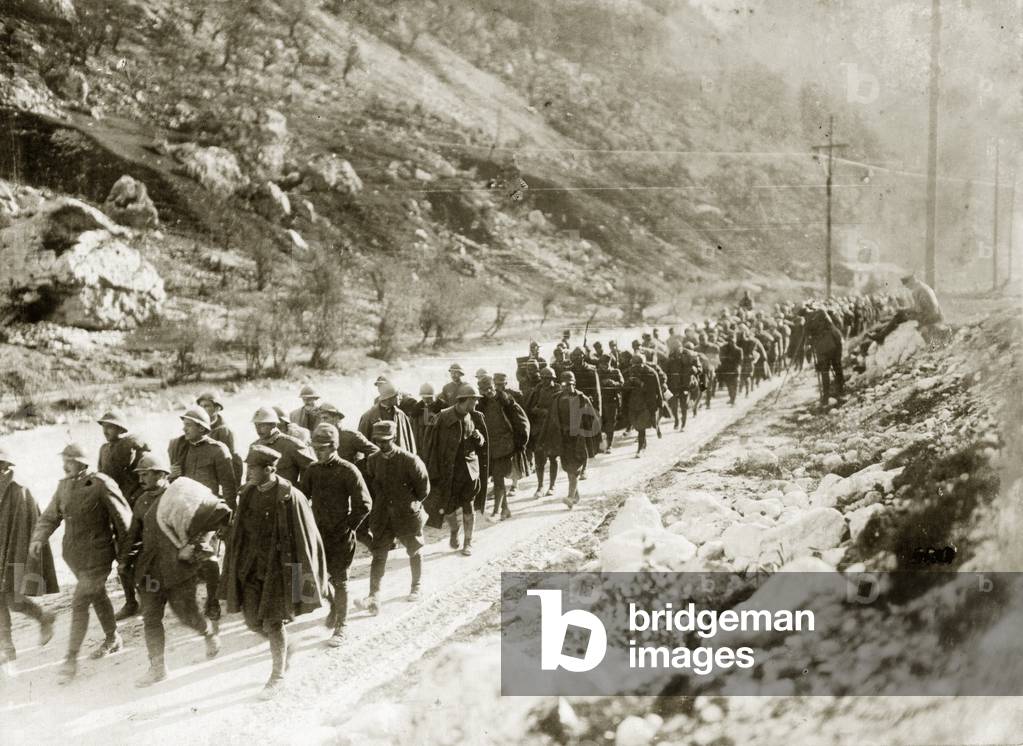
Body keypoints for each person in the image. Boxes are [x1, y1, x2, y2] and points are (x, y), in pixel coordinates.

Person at [219, 445, 328, 700]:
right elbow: (240, 528)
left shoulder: (290, 496)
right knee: (252, 620)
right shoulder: (247, 492)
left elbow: (305, 538)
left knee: (272, 620)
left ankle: (277, 675)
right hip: (252, 566)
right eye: (249, 468)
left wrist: (304, 580)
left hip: (279, 569)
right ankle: (285, 649)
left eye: (254, 468)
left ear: (270, 469)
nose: (249, 473)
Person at [119, 453, 228, 686]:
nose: (141, 479)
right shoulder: (141, 502)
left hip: (178, 569)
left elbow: (212, 517)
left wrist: (194, 545)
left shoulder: (181, 494)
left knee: (186, 615)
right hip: (149, 571)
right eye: (139, 475)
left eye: (146, 474)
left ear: (162, 474)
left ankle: (208, 632)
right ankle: (157, 668)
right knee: (150, 617)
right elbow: (133, 535)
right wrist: (123, 560)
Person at [30, 443, 132, 684]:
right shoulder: (64, 486)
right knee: (96, 595)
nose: (64, 464)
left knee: (79, 601)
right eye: (64, 459)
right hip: (75, 556)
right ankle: (112, 637)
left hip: (99, 556)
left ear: (80, 462)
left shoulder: (101, 483)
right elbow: (50, 516)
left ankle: (70, 659)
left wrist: (125, 557)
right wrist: (38, 538)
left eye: (67, 459)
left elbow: (124, 521)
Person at [299, 424, 372, 647]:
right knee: (313, 579)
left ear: (334, 446)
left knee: (340, 581)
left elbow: (364, 504)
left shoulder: (349, 470)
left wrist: (348, 526)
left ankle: (342, 626)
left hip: (340, 536)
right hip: (317, 535)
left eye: (322, 448)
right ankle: (333, 607)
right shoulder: (312, 470)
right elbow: (302, 499)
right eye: (315, 448)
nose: (317, 452)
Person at [169, 406, 239, 622]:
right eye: (184, 425)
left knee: (207, 556)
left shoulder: (218, 450)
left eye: (188, 425)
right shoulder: (182, 448)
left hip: (209, 511)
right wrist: (173, 476)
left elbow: (229, 488)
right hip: (187, 510)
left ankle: (213, 600)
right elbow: (178, 484)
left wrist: (226, 518)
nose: (184, 429)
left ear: (201, 427)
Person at [360, 421, 430, 612]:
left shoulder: (410, 460)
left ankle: (416, 586)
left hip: (405, 514)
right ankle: (374, 594)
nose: (381, 445)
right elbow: (374, 485)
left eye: (385, 441)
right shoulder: (373, 460)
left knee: (414, 549)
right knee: (379, 553)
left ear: (395, 438)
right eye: (378, 441)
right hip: (383, 515)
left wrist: (411, 503)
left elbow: (423, 488)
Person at [0, 445, 58, 676]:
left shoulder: (19, 490)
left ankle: (43, 617)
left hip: (14, 552)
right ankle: (6, 649)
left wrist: (21, 560)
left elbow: (29, 526)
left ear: (4, 466)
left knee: (13, 601)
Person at [421, 384, 489, 556]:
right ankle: (454, 529)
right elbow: (430, 446)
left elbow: (482, 444)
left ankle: (468, 542)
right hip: (449, 472)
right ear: (464, 400)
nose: (476, 403)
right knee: (449, 509)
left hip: (469, 471)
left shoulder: (476, 416)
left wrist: (479, 438)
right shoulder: (442, 417)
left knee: (469, 506)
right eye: (474, 400)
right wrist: (432, 472)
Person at [96, 409, 149, 620]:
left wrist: (138, 500)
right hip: (115, 507)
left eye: (110, 426)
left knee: (142, 552)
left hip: (135, 506)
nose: (106, 431)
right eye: (104, 427)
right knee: (122, 554)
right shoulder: (104, 450)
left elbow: (146, 475)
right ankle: (130, 601)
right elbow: (101, 476)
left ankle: (148, 597)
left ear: (120, 427)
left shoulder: (135, 446)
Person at [538, 371, 598, 507]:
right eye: (564, 384)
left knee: (574, 468)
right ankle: (576, 496)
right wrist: (543, 439)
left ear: (574, 383)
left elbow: (593, 418)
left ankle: (570, 497)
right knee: (567, 467)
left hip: (578, 439)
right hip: (562, 439)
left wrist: (591, 437)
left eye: (569, 384)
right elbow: (549, 420)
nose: (566, 387)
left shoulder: (582, 398)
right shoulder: (557, 399)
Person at [478, 376, 530, 520]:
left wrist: (520, 442)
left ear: (494, 386)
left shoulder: (506, 401)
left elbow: (522, 421)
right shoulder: (481, 404)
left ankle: (496, 511)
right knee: (497, 477)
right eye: (484, 389)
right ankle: (505, 509)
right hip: (491, 447)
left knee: (498, 476)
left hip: (506, 445)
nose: (488, 391)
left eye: (490, 388)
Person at [251, 406, 315, 486]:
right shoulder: (255, 447)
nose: (258, 430)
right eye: (256, 425)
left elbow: (312, 469)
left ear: (274, 425)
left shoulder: (292, 444)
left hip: (285, 496)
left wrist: (300, 492)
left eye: (262, 426)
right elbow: (250, 477)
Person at [525, 367, 560, 498]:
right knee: (539, 459)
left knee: (553, 458)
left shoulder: (558, 390)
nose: (546, 381)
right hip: (539, 429)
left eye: (548, 378)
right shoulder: (537, 390)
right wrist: (538, 411)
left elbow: (560, 408)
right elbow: (530, 408)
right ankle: (540, 486)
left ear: (553, 378)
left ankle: (552, 485)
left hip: (552, 429)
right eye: (544, 378)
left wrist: (548, 412)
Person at [196, 391, 244, 486]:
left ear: (217, 408)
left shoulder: (224, 431)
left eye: (206, 406)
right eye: (201, 407)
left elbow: (235, 461)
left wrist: (234, 486)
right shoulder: (195, 428)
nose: (203, 410)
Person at [357, 382, 417, 454]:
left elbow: (410, 445)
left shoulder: (401, 415)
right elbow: (360, 447)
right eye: (398, 395)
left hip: (400, 462)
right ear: (389, 398)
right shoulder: (368, 417)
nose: (401, 397)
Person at [804, 307, 845, 407]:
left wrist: (809, 342)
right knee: (837, 367)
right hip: (834, 343)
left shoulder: (811, 321)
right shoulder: (824, 314)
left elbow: (808, 337)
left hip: (824, 347)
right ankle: (840, 390)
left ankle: (826, 397)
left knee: (825, 371)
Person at [317, 402, 380, 467]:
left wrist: (362, 468)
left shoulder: (351, 436)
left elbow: (376, 452)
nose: (322, 422)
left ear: (336, 418)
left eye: (325, 418)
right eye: (321, 419)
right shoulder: (322, 438)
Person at [624, 358, 663, 458]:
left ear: (643, 364)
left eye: (639, 365)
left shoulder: (651, 373)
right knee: (637, 426)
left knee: (641, 426)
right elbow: (624, 388)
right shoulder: (630, 372)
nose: (636, 367)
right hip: (633, 403)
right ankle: (644, 443)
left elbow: (657, 389)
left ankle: (640, 448)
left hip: (646, 403)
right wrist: (629, 382)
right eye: (634, 365)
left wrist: (660, 403)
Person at [666, 343, 701, 431]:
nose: (678, 352)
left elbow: (700, 369)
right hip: (674, 385)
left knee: (684, 405)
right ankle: (677, 420)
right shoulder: (670, 359)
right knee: (673, 405)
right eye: (676, 350)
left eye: (680, 350)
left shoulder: (690, 358)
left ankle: (684, 423)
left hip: (687, 384)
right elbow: (666, 371)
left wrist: (695, 369)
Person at [596, 354, 624, 453]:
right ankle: (600, 444)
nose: (604, 366)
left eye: (606, 364)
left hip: (612, 401)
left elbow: (622, 384)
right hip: (600, 401)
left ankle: (609, 444)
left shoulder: (616, 372)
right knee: (599, 423)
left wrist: (613, 383)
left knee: (610, 423)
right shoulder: (597, 373)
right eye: (603, 364)